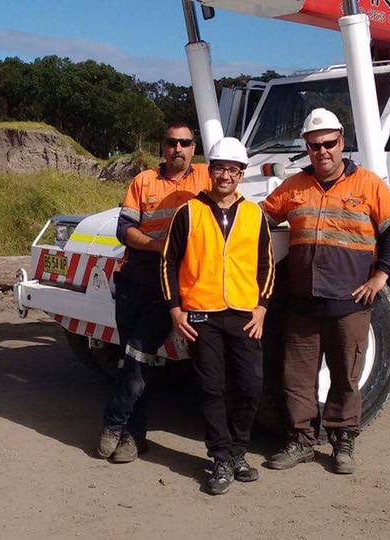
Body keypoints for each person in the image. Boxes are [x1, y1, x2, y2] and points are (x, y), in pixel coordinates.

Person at [261, 108, 390, 474]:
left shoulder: (368, 185)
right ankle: (301, 441)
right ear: (306, 147)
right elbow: (259, 218)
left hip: (350, 304)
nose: (322, 151)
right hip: (302, 304)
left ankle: (343, 442)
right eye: (314, 146)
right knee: (297, 378)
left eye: (328, 143)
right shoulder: (294, 187)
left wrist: (381, 277)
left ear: (342, 141)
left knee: (346, 376)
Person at [161, 137, 274, 495]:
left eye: (233, 170)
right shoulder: (188, 212)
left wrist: (262, 307)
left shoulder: (255, 214)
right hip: (201, 314)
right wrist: (175, 308)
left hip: (244, 313)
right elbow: (168, 262)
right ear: (210, 171)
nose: (226, 175)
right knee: (212, 389)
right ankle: (221, 458)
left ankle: (239, 452)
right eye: (220, 168)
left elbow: (267, 265)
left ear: (242, 174)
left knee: (250, 386)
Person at [97, 124, 211, 463]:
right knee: (130, 358)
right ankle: (133, 435)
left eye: (185, 143)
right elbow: (124, 230)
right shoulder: (143, 181)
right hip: (135, 277)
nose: (178, 148)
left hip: (169, 284)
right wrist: (159, 245)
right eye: (172, 142)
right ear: (163, 147)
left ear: (194, 148)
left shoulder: (206, 177)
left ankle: (115, 424)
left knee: (138, 353)